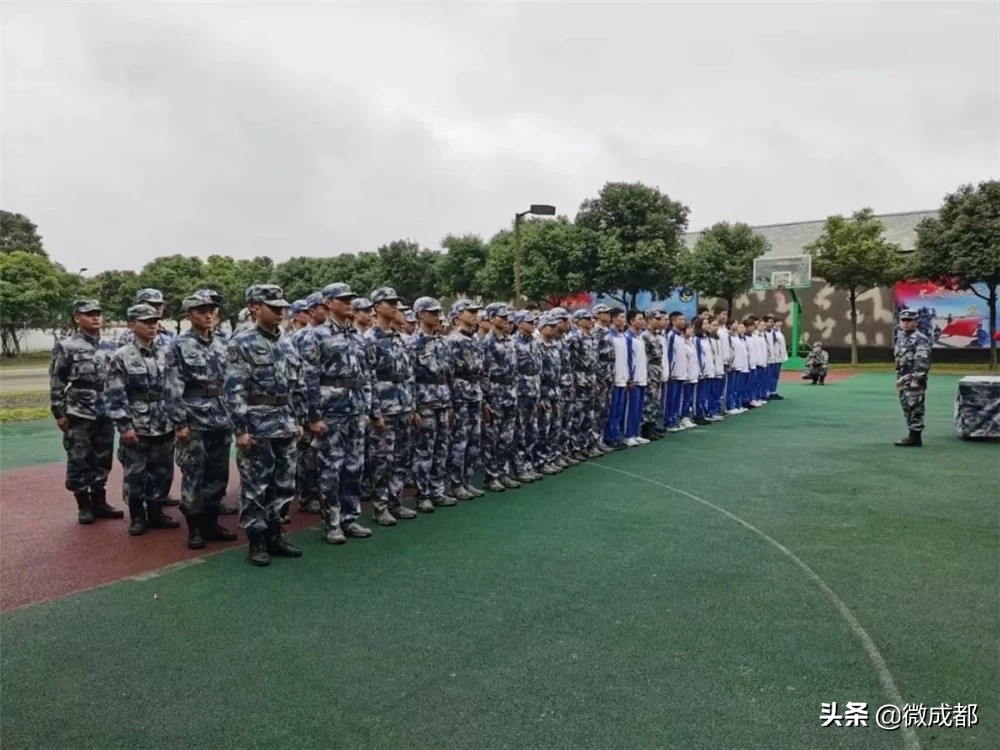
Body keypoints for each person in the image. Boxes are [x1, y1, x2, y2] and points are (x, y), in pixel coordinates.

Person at [225, 284, 306, 565]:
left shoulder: (288, 341)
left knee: (284, 484)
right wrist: (240, 430)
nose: (281, 312)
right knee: (256, 486)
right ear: (255, 308)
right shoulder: (241, 343)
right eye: (274, 308)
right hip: (257, 427)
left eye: (283, 307)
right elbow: (234, 390)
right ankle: (257, 540)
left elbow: (297, 385)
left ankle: (275, 534)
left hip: (285, 423)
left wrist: (298, 419)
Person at [302, 283, 377, 543]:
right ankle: (332, 523)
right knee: (331, 469)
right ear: (329, 302)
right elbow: (309, 379)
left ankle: (350, 518)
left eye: (350, 299)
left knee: (354, 467)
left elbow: (366, 376)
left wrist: (366, 408)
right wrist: (313, 417)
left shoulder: (357, 337)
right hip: (330, 412)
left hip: (355, 411)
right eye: (343, 299)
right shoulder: (317, 336)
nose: (349, 303)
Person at [164, 292, 237, 549]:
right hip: (193, 420)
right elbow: (172, 387)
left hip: (221, 416)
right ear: (189, 315)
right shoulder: (178, 345)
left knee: (218, 475)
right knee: (194, 475)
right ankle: (195, 528)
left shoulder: (224, 342)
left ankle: (211, 523)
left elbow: (232, 381)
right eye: (201, 310)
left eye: (212, 310)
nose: (208, 315)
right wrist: (179, 423)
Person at [106, 303, 181, 536]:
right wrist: (124, 426)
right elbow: (115, 394)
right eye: (146, 322)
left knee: (163, 472)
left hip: (164, 423)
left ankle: (156, 512)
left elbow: (175, 388)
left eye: (155, 321)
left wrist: (178, 420)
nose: (152, 325)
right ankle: (138, 516)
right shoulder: (122, 356)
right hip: (137, 426)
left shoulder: (167, 352)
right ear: (131, 325)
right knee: (136, 474)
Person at [50, 299, 124, 524]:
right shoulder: (67, 345)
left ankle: (99, 502)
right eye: (89, 314)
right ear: (77, 318)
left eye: (98, 313)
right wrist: (59, 412)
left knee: (103, 458)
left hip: (105, 411)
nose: (95, 318)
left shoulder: (112, 345)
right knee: (79, 459)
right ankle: (83, 504)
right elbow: (57, 380)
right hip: (79, 411)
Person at [365, 286, 419, 523]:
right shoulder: (368, 340)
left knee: (400, 458)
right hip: (384, 409)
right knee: (381, 461)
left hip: (404, 407)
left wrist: (413, 407)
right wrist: (375, 414)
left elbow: (409, 375)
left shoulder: (401, 340)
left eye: (396, 301)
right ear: (377, 307)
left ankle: (395, 501)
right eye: (389, 302)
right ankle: (380, 506)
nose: (395, 306)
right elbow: (367, 380)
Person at [409, 296, 455, 508]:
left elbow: (449, 375)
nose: (438, 316)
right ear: (421, 315)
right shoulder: (412, 343)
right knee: (424, 450)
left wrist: (451, 403)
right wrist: (414, 408)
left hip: (443, 401)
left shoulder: (442, 342)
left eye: (439, 313)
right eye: (433, 313)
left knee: (441, 448)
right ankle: (423, 494)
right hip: (424, 402)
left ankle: (437, 490)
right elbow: (410, 378)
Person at [446, 299, 486, 500]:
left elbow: (482, 370)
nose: (474, 315)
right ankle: (455, 483)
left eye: (475, 311)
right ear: (459, 315)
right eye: (469, 312)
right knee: (460, 440)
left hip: (475, 393)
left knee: (474, 439)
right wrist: (451, 402)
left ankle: (467, 480)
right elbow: (449, 373)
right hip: (460, 394)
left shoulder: (477, 339)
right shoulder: (453, 340)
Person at [481, 302, 521, 491]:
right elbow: (483, 373)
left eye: (507, 317)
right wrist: (485, 400)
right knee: (492, 438)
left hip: (510, 393)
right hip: (495, 394)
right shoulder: (487, 342)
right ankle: (492, 476)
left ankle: (503, 472)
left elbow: (515, 370)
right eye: (502, 317)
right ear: (491, 319)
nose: (506, 320)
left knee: (507, 437)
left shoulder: (509, 340)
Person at [511, 309, 543, 483]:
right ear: (518, 323)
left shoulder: (535, 342)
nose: (533, 324)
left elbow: (538, 369)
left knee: (532, 431)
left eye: (533, 322)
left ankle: (529, 465)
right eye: (529, 322)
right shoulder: (513, 343)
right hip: (520, 392)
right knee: (520, 433)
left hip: (534, 391)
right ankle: (519, 468)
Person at [894, 309, 932, 447]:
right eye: (903, 320)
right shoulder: (901, 337)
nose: (905, 323)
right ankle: (912, 435)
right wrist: (899, 377)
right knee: (907, 408)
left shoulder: (920, 339)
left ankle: (915, 437)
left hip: (914, 380)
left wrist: (917, 380)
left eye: (909, 320)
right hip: (903, 379)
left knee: (915, 408)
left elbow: (922, 361)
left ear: (916, 322)